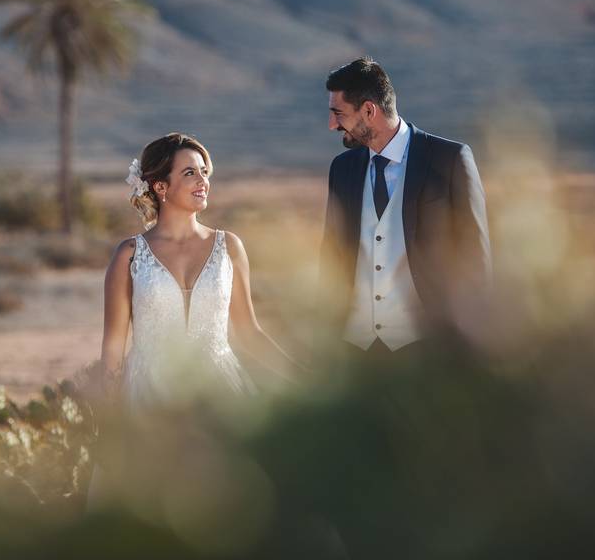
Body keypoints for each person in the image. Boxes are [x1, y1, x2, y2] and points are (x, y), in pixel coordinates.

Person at [97, 132, 301, 411]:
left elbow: (250, 332)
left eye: (204, 172)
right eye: (190, 173)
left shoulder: (229, 247)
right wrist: (106, 423)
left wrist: (304, 381)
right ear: (160, 186)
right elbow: (112, 352)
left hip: (219, 393)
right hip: (149, 397)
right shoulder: (129, 255)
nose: (203, 181)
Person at [318, 57, 492, 364]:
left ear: (369, 111)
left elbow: (475, 259)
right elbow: (331, 259)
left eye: (338, 113)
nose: (332, 124)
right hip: (353, 354)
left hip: (430, 352)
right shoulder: (341, 169)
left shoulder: (448, 160)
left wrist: (469, 348)